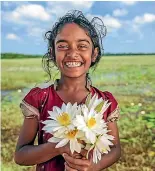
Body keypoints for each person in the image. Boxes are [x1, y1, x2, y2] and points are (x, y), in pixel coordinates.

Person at [14, 10, 121, 171]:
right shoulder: (40, 99)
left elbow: (115, 149)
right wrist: (57, 147)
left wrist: (93, 165)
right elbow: (20, 156)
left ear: (94, 54)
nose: (72, 53)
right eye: (63, 46)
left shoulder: (104, 102)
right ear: (52, 53)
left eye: (82, 46)